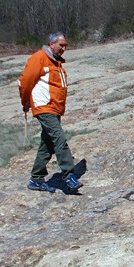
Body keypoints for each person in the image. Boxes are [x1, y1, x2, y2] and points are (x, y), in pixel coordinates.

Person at [19, 31, 86, 192]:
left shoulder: (56, 63)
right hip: (44, 106)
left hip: (55, 108)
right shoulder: (39, 58)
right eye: (61, 45)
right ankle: (69, 175)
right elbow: (25, 81)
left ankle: (36, 179)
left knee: (47, 143)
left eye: (65, 46)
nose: (64, 48)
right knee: (59, 138)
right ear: (51, 44)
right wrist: (25, 102)